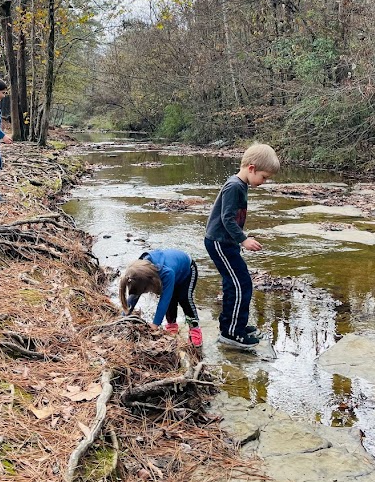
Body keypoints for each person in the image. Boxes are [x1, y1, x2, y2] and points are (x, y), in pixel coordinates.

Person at [204, 143, 280, 349]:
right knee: (241, 284)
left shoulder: (240, 184)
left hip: (225, 242)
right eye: (264, 177)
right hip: (220, 242)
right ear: (252, 168)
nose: (264, 182)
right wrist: (243, 239)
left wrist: (238, 240)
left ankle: (233, 325)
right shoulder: (234, 186)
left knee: (237, 282)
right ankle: (232, 333)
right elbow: (227, 218)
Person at [119, 249, 202, 347]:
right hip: (174, 270)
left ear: (149, 282)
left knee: (184, 299)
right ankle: (172, 325)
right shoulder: (137, 272)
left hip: (187, 271)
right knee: (171, 300)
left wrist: (155, 324)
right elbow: (134, 296)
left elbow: (164, 301)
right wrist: (124, 315)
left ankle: (195, 328)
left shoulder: (166, 273)